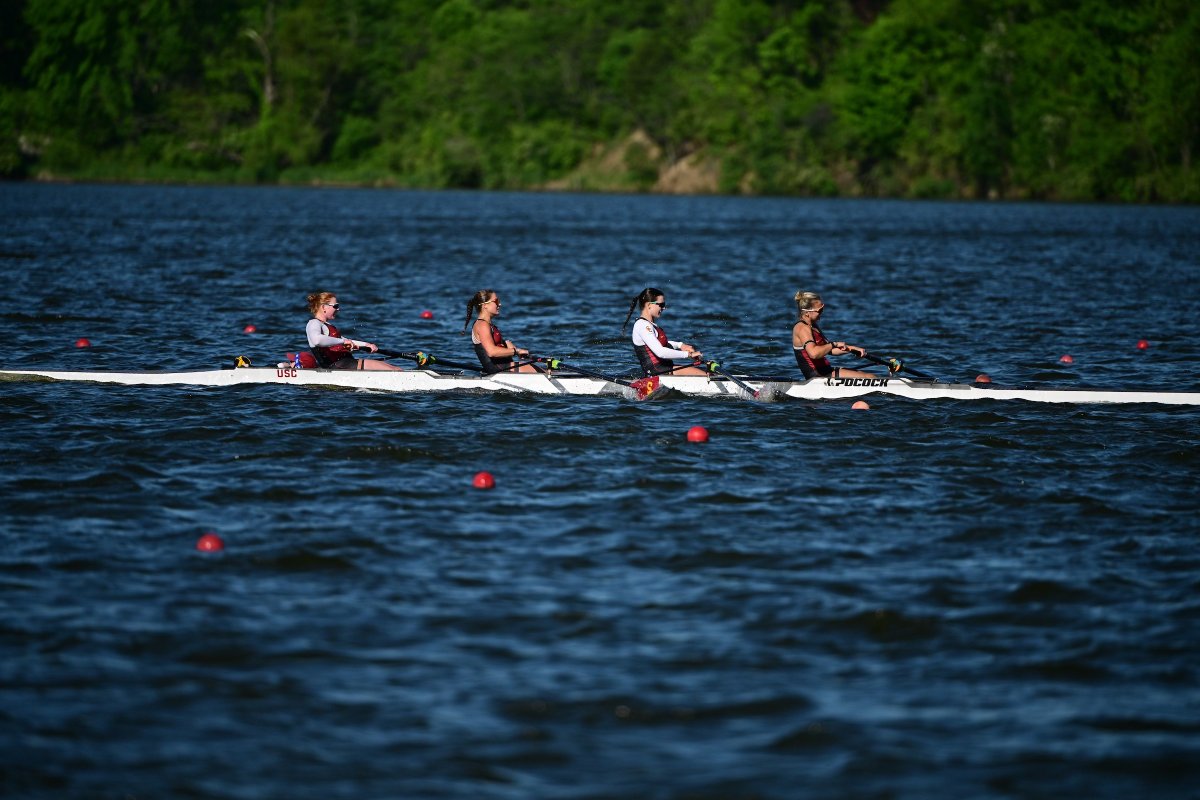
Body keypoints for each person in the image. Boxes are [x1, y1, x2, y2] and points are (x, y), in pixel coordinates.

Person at [621, 287, 708, 377]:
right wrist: (688, 354)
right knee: (706, 375)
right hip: (658, 372)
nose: (664, 308)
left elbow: (661, 344)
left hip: (665, 369)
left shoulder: (649, 325)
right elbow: (660, 352)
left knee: (708, 372)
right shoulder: (642, 325)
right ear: (649, 305)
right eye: (661, 305)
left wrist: (680, 345)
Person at [305, 292, 402, 371]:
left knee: (395, 368)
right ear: (323, 307)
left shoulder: (328, 327)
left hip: (345, 364)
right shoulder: (314, 323)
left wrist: (367, 344)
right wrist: (343, 342)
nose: (338, 309)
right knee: (395, 370)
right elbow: (317, 340)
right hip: (338, 366)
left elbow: (347, 340)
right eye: (335, 306)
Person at [791, 291, 875, 379]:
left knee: (868, 375)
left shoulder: (813, 326)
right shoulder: (802, 328)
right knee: (870, 377)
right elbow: (814, 353)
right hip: (817, 377)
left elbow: (830, 350)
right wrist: (833, 344)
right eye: (820, 310)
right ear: (807, 313)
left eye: (822, 309)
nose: (822, 313)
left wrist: (852, 349)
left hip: (826, 371)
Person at [463, 289, 539, 373]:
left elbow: (496, 346)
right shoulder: (482, 325)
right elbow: (492, 352)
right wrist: (516, 351)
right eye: (496, 301)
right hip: (497, 369)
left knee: (544, 370)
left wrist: (506, 345)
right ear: (485, 305)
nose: (499, 304)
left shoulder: (489, 325)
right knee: (543, 372)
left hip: (503, 366)